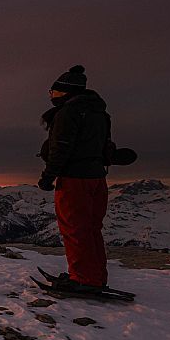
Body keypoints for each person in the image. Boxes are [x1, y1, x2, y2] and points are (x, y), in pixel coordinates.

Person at [37, 65, 112, 292]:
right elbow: (104, 147)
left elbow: (61, 147)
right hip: (97, 178)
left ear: (66, 92)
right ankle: (95, 276)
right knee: (91, 228)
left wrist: (48, 176)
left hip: (74, 179)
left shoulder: (68, 113)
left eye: (55, 92)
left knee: (75, 229)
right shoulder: (100, 114)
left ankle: (83, 279)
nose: (52, 96)